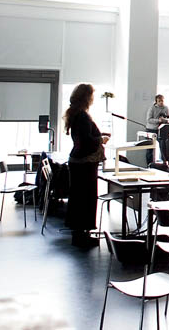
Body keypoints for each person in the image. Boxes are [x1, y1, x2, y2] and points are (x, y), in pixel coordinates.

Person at [64, 83, 108, 248]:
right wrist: (101, 140)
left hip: (79, 162)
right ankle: (82, 236)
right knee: (85, 199)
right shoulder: (82, 116)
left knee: (79, 198)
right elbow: (86, 141)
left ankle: (81, 234)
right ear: (86, 97)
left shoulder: (77, 114)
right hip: (84, 163)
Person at [145, 94, 169, 165]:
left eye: (162, 101)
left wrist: (164, 120)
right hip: (151, 129)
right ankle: (149, 164)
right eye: (159, 101)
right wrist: (158, 120)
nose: (161, 102)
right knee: (150, 148)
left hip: (160, 130)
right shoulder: (152, 108)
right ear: (156, 101)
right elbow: (149, 120)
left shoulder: (166, 108)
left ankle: (164, 162)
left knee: (163, 146)